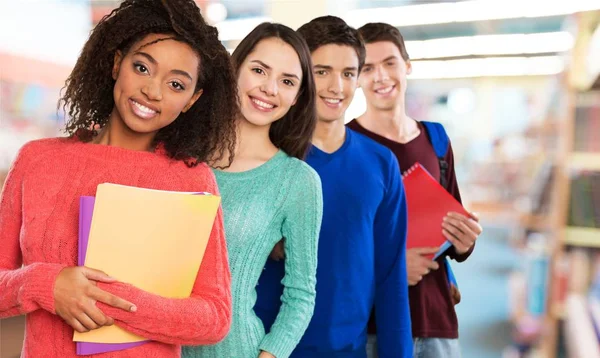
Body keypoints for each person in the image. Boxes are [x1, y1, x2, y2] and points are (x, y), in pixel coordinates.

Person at [0, 0, 238, 356]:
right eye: (142, 67)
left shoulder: (192, 180)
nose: (153, 91)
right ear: (116, 63)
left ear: (192, 100)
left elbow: (214, 316)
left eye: (176, 84)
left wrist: (106, 301)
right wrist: (45, 285)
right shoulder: (37, 160)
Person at [254, 16, 412, 358]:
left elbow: (390, 275)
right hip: (264, 347)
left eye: (348, 73)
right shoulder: (264, 157)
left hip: (347, 349)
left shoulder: (380, 164)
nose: (336, 87)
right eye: (321, 71)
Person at [182, 22, 323, 358]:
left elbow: (301, 295)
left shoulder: (296, 181)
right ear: (235, 70)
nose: (269, 88)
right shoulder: (181, 155)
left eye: (287, 81)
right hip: (154, 347)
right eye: (259, 70)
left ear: (297, 98)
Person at [347, 22, 484, 357]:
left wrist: (465, 242)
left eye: (390, 63)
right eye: (367, 68)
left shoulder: (436, 139)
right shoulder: (344, 145)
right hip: (372, 325)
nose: (380, 77)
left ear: (407, 67)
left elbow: (452, 232)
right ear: (357, 77)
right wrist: (391, 268)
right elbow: (336, 249)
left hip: (436, 317)